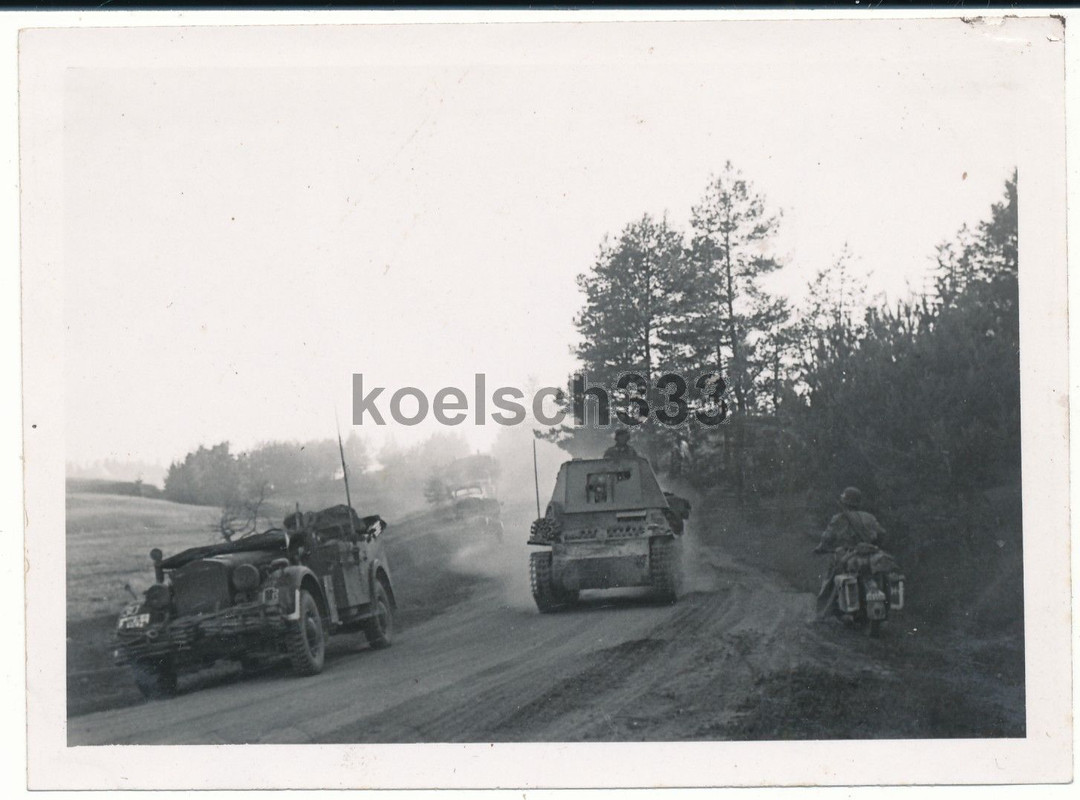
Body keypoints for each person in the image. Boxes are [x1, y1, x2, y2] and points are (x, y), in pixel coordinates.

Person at [813, 486, 887, 620]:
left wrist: (821, 548)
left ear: (844, 502)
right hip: (870, 553)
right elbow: (881, 533)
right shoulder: (869, 517)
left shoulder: (838, 518)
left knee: (831, 579)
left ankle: (823, 614)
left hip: (848, 554)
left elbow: (827, 537)